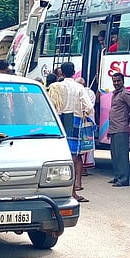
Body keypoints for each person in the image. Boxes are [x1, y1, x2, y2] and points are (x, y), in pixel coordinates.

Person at [46, 62, 92, 202]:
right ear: (74, 72)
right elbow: (89, 107)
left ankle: (56, 189)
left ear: (62, 73)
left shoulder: (55, 86)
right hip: (75, 119)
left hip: (59, 120)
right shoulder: (79, 87)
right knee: (74, 156)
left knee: (57, 155)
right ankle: (74, 189)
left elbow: (50, 106)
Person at [107, 72, 130, 187]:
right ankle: (117, 177)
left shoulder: (124, 94)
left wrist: (129, 117)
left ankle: (123, 179)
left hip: (121, 128)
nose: (116, 83)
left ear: (123, 81)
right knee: (115, 155)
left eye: (118, 81)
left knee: (121, 156)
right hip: (114, 128)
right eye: (114, 81)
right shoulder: (116, 94)